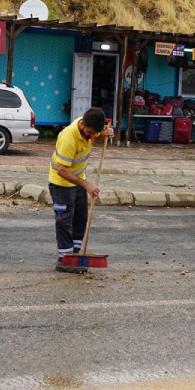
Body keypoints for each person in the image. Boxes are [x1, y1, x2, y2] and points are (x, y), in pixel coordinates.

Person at [49, 107, 113, 273]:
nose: (90, 137)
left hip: (78, 181)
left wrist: (105, 134)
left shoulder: (90, 129)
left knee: (80, 218)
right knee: (64, 221)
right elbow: (62, 170)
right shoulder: (69, 138)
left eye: (94, 134)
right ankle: (64, 259)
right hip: (61, 184)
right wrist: (86, 185)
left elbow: (97, 135)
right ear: (82, 124)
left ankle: (75, 256)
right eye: (89, 133)